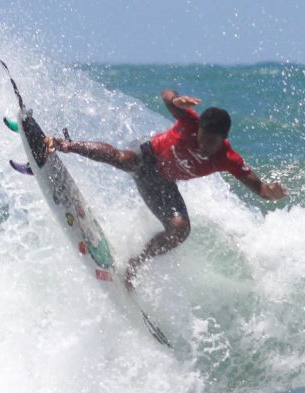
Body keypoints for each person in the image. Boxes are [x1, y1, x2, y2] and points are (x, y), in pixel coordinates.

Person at [44, 90, 287, 290]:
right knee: (125, 159)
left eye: (210, 143)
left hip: (161, 184)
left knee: (180, 229)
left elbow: (260, 188)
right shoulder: (190, 122)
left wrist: (270, 193)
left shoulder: (228, 158)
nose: (203, 146)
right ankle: (64, 144)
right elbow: (165, 94)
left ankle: (134, 265)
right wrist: (175, 101)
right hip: (147, 156)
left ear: (223, 139)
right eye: (202, 138)